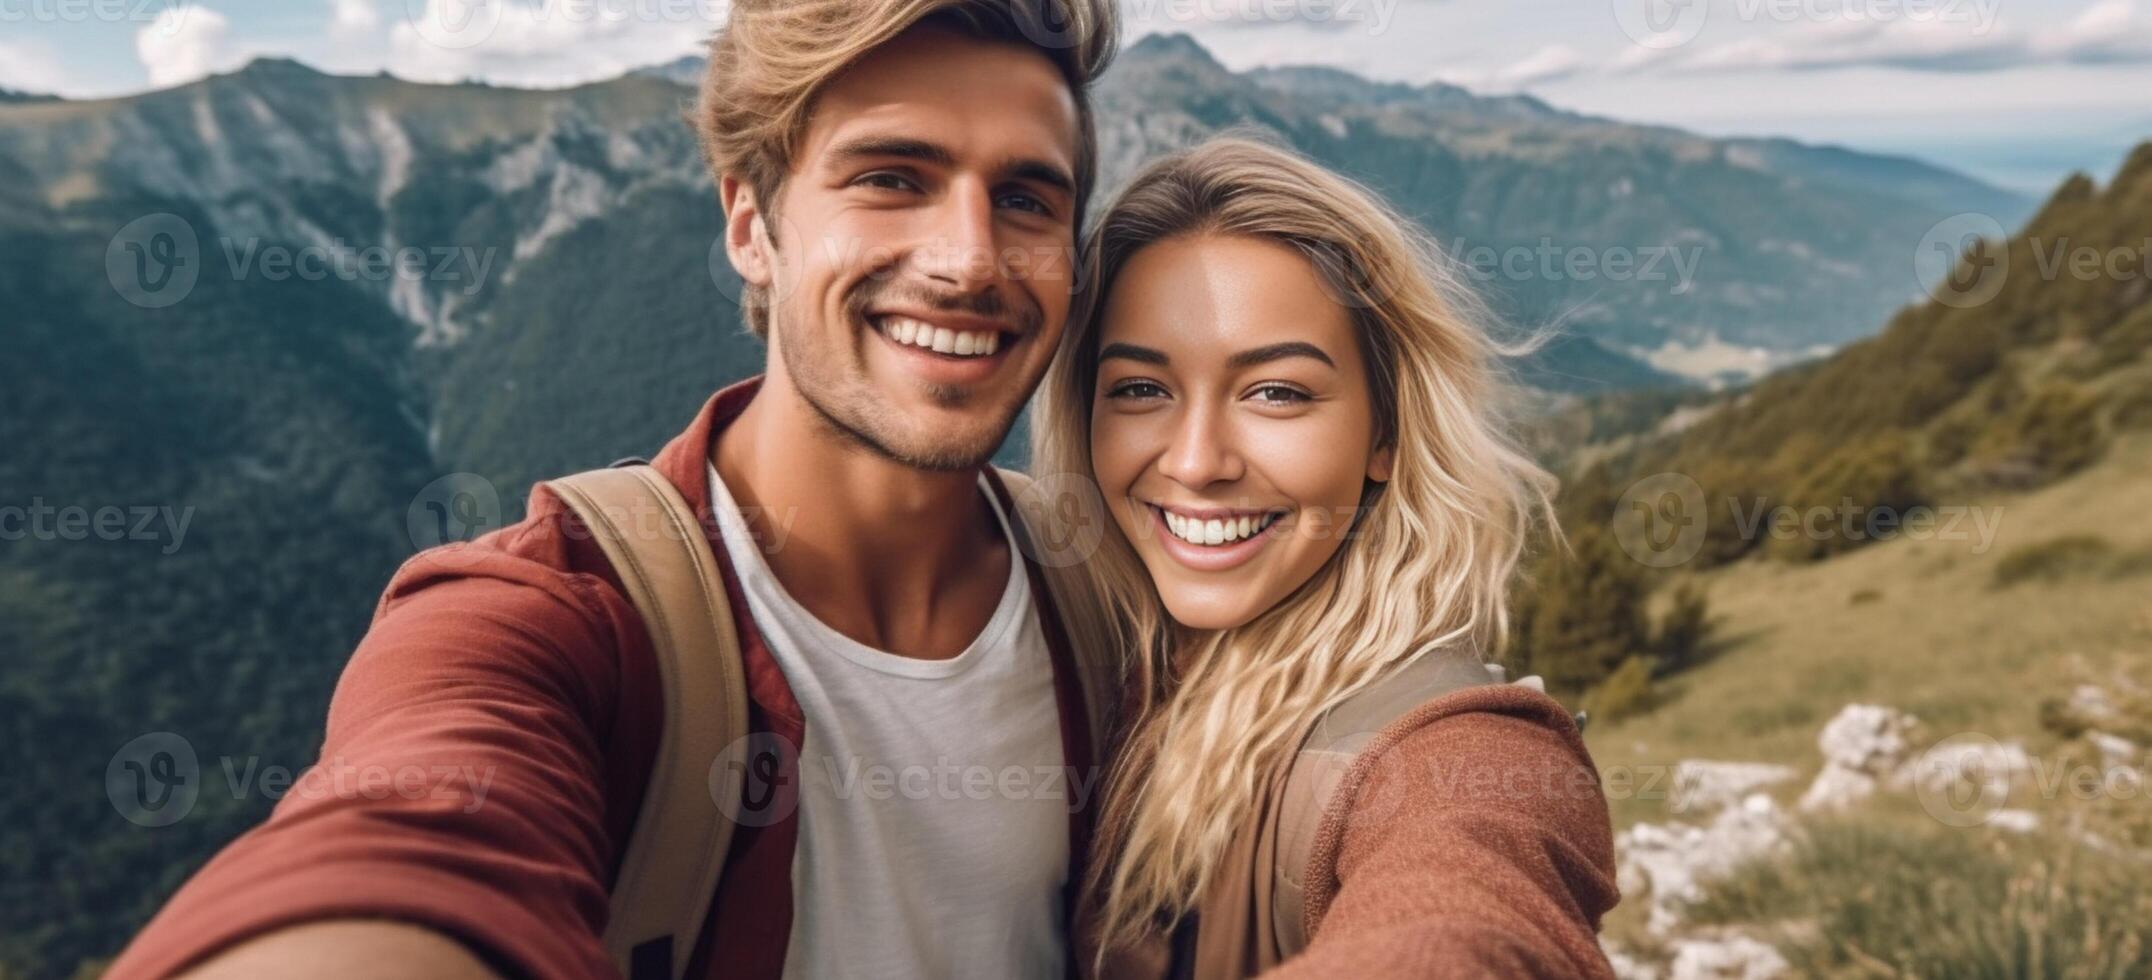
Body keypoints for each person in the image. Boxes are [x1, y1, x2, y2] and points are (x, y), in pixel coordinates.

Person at [108, 2, 1120, 978]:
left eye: (1028, 198)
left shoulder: (1110, 593)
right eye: (893, 177)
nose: (970, 258)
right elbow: (411, 828)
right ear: (751, 229)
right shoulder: (549, 612)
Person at [1028, 137, 1622, 978]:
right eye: (1141, 389)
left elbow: (1468, 922)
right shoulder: (1095, 664)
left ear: (1385, 431)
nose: (1197, 462)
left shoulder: (1453, 749)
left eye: (1276, 392)